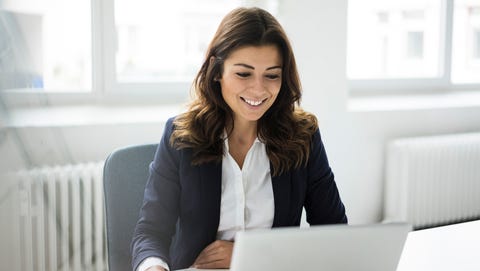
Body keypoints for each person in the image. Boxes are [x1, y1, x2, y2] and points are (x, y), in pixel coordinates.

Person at [131, 7, 347, 271]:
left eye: (272, 75)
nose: (258, 88)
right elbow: (150, 232)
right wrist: (154, 268)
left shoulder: (303, 137)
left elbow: (334, 232)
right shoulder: (181, 136)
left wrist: (250, 255)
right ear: (216, 70)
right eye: (243, 74)